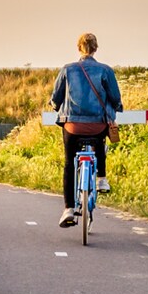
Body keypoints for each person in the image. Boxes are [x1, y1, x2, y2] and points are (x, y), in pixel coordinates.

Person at [50, 33, 122, 228]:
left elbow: (56, 98)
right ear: (96, 48)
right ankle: (102, 179)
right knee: (100, 142)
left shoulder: (67, 69)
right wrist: (116, 108)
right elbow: (115, 98)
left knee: (69, 163)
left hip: (73, 126)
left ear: (78, 48)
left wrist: (56, 106)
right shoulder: (105, 70)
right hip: (98, 126)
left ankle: (68, 209)